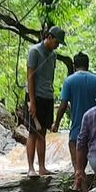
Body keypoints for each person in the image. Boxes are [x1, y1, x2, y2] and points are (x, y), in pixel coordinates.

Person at [53, 52, 96, 191]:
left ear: (75, 66)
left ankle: (78, 179)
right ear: (87, 65)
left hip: (77, 127)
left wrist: (56, 123)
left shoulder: (69, 81)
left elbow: (63, 105)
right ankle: (90, 183)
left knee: (75, 149)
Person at [25, 25, 65, 177]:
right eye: (56, 42)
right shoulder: (34, 51)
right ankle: (31, 168)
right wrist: (32, 101)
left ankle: (42, 167)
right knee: (33, 132)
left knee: (43, 133)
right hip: (35, 96)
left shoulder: (53, 55)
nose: (57, 45)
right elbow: (30, 77)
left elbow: (51, 76)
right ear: (48, 37)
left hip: (47, 96)